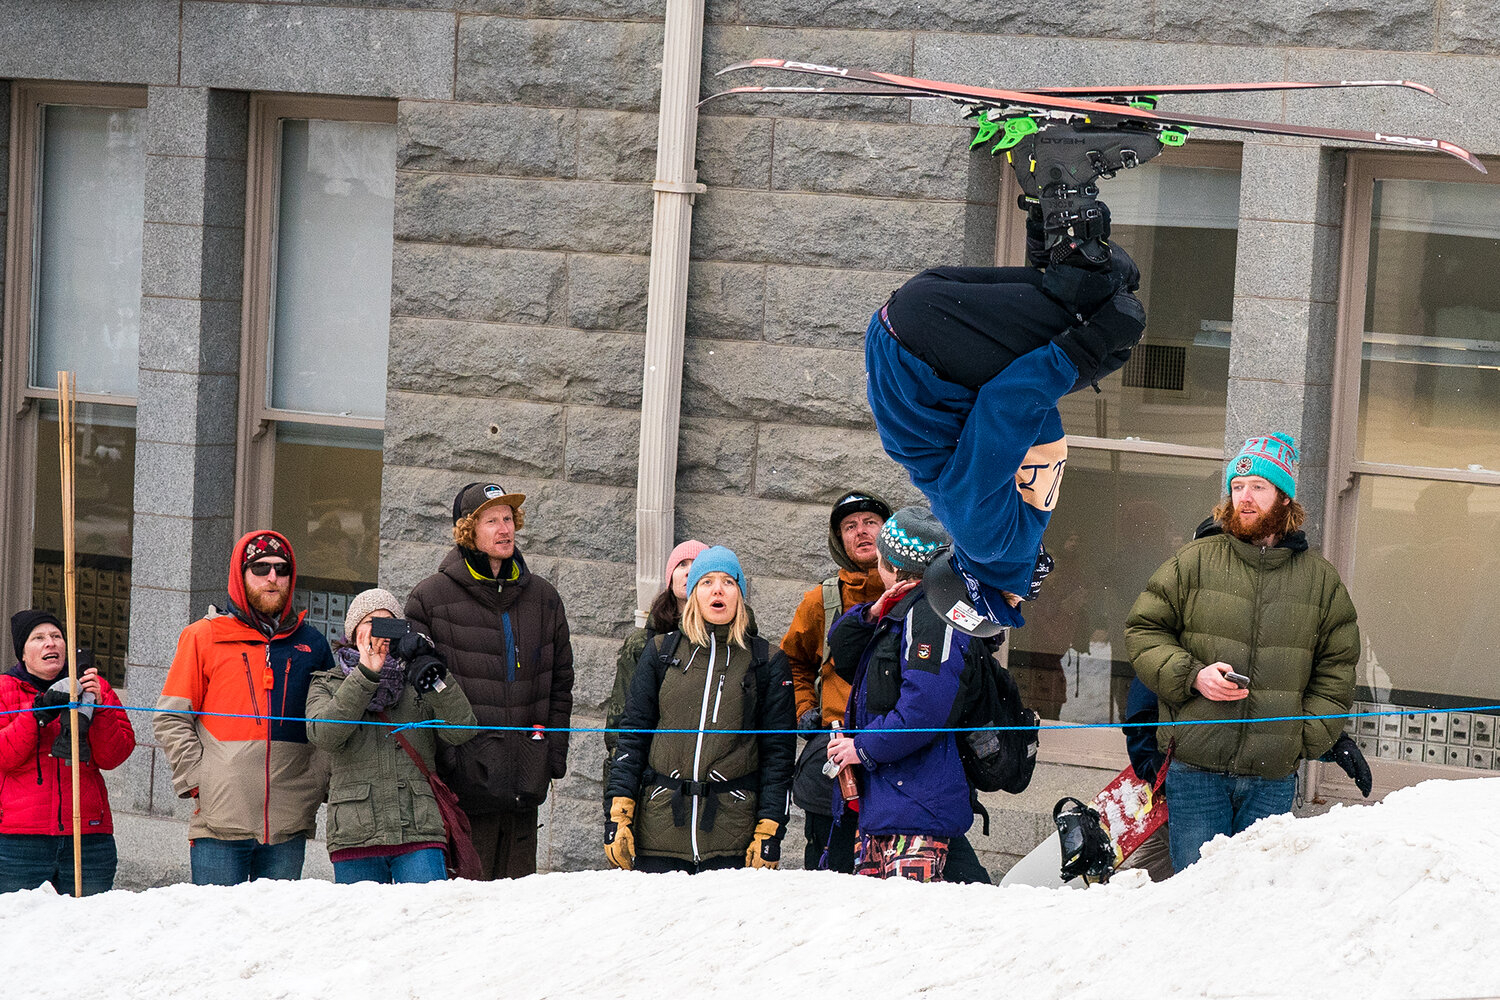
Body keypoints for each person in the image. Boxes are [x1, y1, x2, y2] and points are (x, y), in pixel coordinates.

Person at [864, 206, 1147, 638]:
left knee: (1110, 325)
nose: (1030, 592)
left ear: (985, 588)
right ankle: (1054, 219)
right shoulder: (992, 532)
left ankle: (1065, 211)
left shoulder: (988, 540)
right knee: (1098, 287)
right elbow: (1019, 405)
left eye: (1014, 600)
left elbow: (1005, 407)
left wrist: (1088, 347)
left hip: (930, 347)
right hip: (914, 324)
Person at [1126, 433, 1360, 871]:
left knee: (1252, 904)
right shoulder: (1192, 562)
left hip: (1271, 778)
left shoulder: (1321, 581)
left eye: (1258, 487)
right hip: (1195, 771)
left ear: (1284, 498)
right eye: (1237, 486)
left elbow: (1337, 668)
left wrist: (1300, 737)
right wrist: (1192, 675)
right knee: (1194, 897)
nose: (1245, 498)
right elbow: (1144, 631)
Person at [406, 482, 574, 880]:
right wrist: (447, 763)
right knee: (465, 913)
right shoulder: (430, 598)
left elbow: (561, 684)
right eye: (492, 520)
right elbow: (419, 693)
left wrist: (551, 756)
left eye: (509, 519)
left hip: (525, 786)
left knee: (515, 919)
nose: (506, 529)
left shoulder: (544, 599)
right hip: (463, 788)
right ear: (468, 530)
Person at [155, 530, 333, 885]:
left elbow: (327, 724)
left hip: (288, 825)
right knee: (217, 932)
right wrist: (199, 781)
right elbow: (171, 717)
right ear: (240, 575)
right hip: (218, 826)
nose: (272, 578)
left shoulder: (312, 644)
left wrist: (316, 783)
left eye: (282, 570)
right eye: (260, 568)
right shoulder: (202, 637)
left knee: (274, 935)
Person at [603, 547, 795, 874]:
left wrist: (770, 829)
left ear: (740, 594)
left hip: (732, 839)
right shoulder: (661, 652)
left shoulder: (766, 661)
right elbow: (631, 736)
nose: (717, 589)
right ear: (692, 595)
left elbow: (779, 756)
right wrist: (618, 811)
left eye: (727, 582)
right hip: (659, 834)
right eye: (706, 582)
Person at [823, 507, 979, 883]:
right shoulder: (903, 611)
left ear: (891, 563)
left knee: (909, 930)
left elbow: (924, 709)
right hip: (889, 804)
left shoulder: (930, 616)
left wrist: (860, 748)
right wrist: (875, 611)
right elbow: (841, 651)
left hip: (915, 809)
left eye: (879, 558)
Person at [306, 589, 477, 884]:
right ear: (353, 633)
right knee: (364, 928)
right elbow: (324, 736)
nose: (380, 634)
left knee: (424, 921)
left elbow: (461, 729)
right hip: (355, 834)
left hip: (419, 830)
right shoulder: (329, 683)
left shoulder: (417, 682)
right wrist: (364, 674)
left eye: (389, 625)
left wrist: (433, 673)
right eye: (371, 623)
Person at [782, 490, 890, 871]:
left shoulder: (918, 596)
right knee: (830, 873)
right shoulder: (821, 601)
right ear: (839, 539)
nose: (861, 532)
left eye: (870, 523)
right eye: (850, 526)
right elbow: (792, 664)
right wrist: (805, 710)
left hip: (898, 755)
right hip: (836, 760)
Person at [0, 611, 136, 895]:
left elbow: (115, 755)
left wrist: (98, 708)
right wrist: (37, 712)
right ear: (22, 653)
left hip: (89, 837)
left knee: (88, 930)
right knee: (19, 930)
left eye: (56, 637)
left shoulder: (95, 688)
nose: (50, 643)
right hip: (18, 842)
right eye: (39, 638)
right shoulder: (4, 689)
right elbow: (5, 757)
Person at [602, 539, 708, 795]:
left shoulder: (725, 644)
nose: (688, 571)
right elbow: (620, 721)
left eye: (697, 565)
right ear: (670, 577)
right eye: (681, 564)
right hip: (652, 774)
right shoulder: (643, 643)